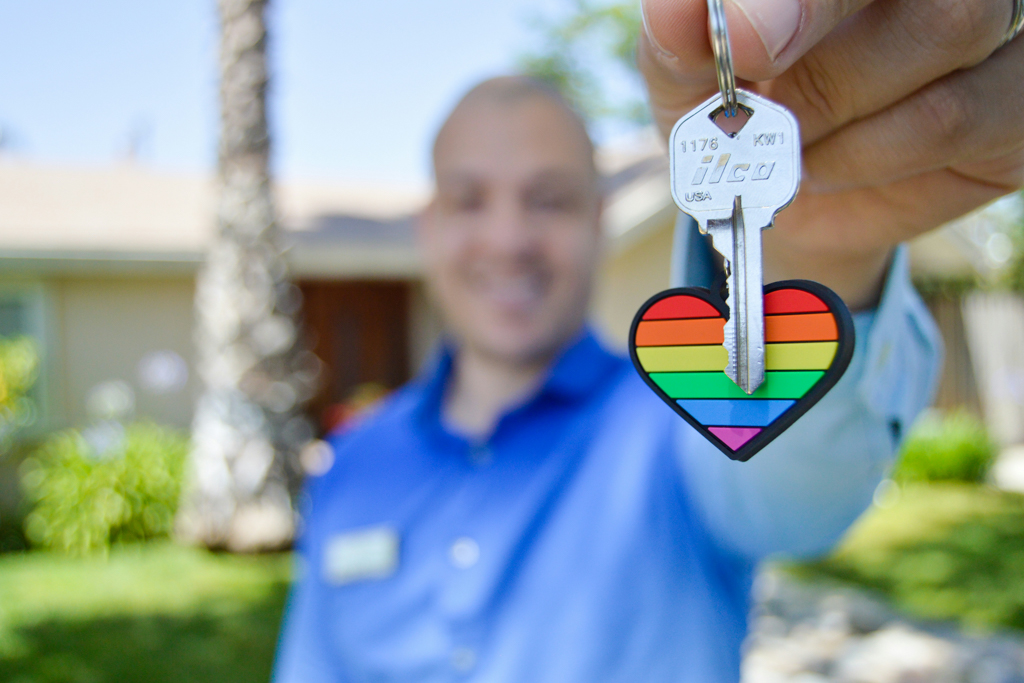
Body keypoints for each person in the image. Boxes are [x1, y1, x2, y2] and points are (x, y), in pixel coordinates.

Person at [274, 0, 1024, 680]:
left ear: (598, 220)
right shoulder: (352, 468)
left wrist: (820, 254)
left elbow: (800, 505)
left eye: (550, 199)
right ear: (430, 227)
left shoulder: (682, 416)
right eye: (471, 200)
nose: (508, 239)